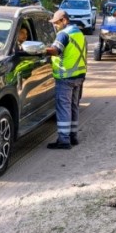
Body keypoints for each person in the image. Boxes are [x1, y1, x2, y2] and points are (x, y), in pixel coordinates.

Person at [44, 9, 87, 149]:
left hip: (66, 77)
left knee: (63, 108)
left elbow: (56, 51)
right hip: (79, 76)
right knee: (73, 106)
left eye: (56, 23)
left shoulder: (63, 34)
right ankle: (73, 136)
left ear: (64, 20)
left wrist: (42, 50)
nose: (55, 26)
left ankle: (63, 140)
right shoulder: (78, 32)